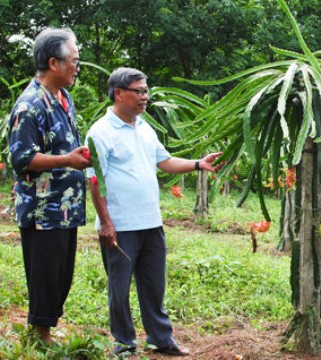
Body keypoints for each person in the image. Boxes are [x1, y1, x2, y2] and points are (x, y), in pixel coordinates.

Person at [86, 67, 224, 356]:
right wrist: (106, 223)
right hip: (120, 226)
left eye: (146, 91)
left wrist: (200, 164)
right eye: (139, 91)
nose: (145, 97)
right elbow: (95, 183)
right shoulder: (100, 132)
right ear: (119, 93)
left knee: (153, 285)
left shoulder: (144, 127)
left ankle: (161, 339)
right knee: (119, 289)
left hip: (150, 222)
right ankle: (124, 344)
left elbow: (165, 161)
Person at [8, 27, 90, 344]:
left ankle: (45, 331)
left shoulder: (63, 98)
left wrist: (78, 156)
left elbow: (63, 145)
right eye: (74, 60)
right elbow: (22, 158)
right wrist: (67, 160)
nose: (77, 66)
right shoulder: (30, 106)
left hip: (66, 206)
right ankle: (39, 338)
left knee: (61, 275)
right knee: (45, 275)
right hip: (43, 209)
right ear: (54, 63)